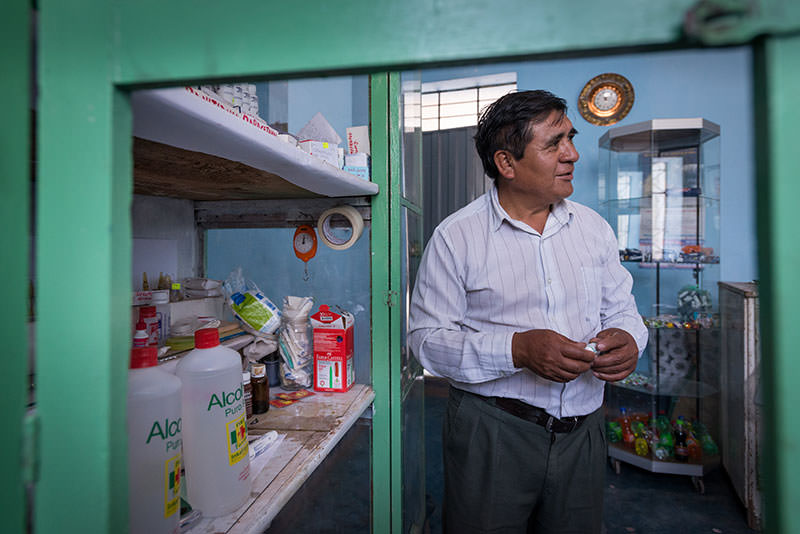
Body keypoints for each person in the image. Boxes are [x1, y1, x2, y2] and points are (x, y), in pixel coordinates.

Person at [408, 90, 648, 534]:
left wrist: (630, 337)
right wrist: (516, 350)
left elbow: (624, 311)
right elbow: (426, 342)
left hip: (585, 430)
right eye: (554, 144)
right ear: (507, 163)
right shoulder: (456, 237)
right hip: (494, 431)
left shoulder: (593, 229)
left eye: (570, 139)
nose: (572, 154)